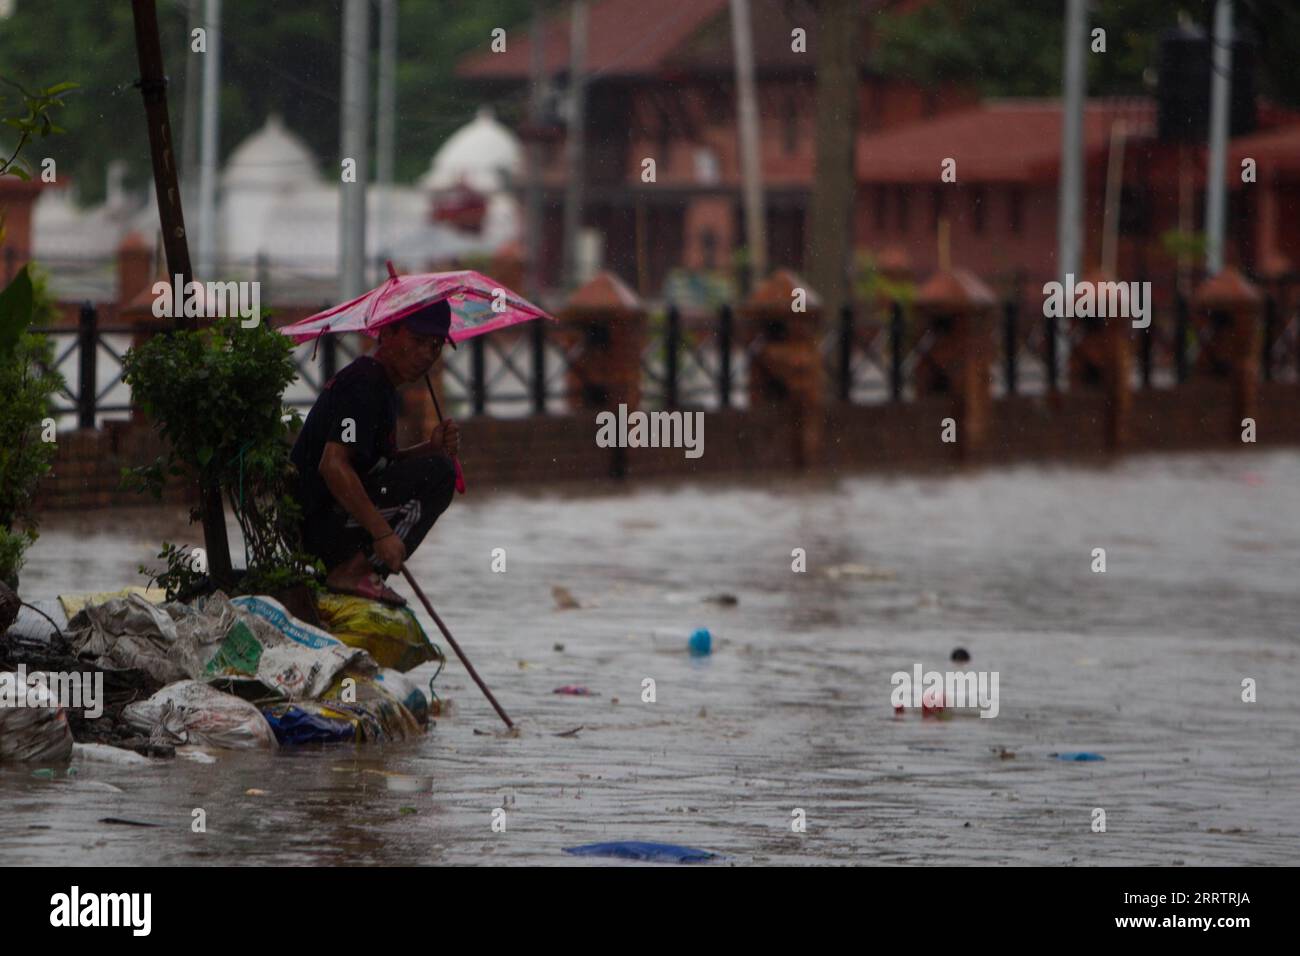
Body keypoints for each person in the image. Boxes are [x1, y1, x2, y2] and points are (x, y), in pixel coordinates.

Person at [291, 299, 461, 606]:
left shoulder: (381, 387)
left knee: (435, 462)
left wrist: (429, 447)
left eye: (435, 346)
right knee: (439, 475)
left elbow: (377, 465)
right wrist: (383, 535)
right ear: (387, 333)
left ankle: (356, 569)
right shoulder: (363, 384)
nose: (427, 355)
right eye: (418, 341)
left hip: (328, 519)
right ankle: (353, 571)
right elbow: (333, 466)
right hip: (316, 523)